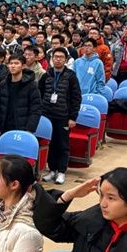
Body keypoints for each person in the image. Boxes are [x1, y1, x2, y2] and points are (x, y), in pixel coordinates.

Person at [38, 48, 81, 185]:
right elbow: (39, 94)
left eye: (61, 57)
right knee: (50, 144)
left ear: (66, 60)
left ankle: (61, 171)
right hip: (47, 116)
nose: (58, 59)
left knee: (62, 144)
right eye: (55, 57)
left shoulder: (71, 76)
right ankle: (52, 170)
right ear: (51, 59)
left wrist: (73, 117)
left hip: (63, 116)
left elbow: (76, 98)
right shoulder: (46, 75)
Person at [0, 55, 42, 135]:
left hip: (22, 127)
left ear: (23, 66)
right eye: (11, 63)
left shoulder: (31, 85)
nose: (13, 66)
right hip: (4, 127)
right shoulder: (4, 84)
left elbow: (35, 109)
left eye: (16, 63)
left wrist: (30, 129)